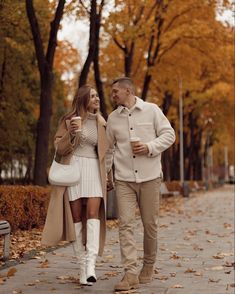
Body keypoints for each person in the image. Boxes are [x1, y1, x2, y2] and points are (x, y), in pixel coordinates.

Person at [106, 77, 175, 291]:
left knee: (149, 225)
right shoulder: (112, 118)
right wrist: (107, 175)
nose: (112, 95)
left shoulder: (152, 110)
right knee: (125, 223)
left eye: (116, 91)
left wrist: (149, 147)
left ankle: (148, 265)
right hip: (124, 179)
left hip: (150, 178)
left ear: (128, 90)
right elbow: (109, 150)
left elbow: (169, 134)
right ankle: (130, 273)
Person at [41, 84, 109, 286]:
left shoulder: (102, 122)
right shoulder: (68, 120)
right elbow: (59, 149)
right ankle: (81, 266)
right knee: (77, 217)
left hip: (94, 171)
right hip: (73, 170)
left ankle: (91, 266)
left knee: (93, 215)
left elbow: (108, 151)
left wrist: (110, 176)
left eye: (97, 96)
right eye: (93, 96)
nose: (97, 99)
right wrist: (70, 133)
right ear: (83, 100)